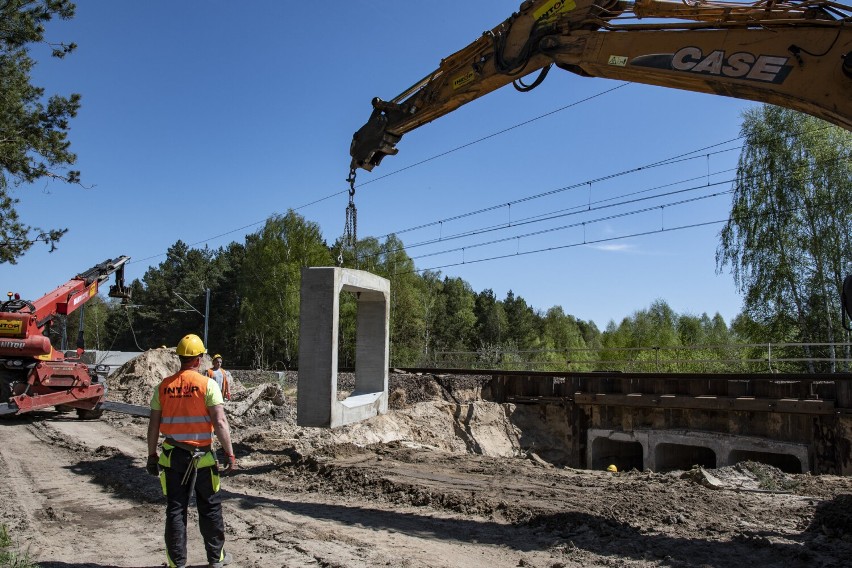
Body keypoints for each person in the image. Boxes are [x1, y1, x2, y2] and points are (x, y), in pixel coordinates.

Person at [146, 333, 237, 568]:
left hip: (172, 456)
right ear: (198, 359)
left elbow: (153, 426)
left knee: (176, 509)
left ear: (180, 358)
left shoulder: (163, 387)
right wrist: (229, 453)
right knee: (210, 508)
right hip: (203, 459)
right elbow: (220, 422)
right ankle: (216, 560)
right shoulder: (207, 385)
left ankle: (177, 563)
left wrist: (151, 455)